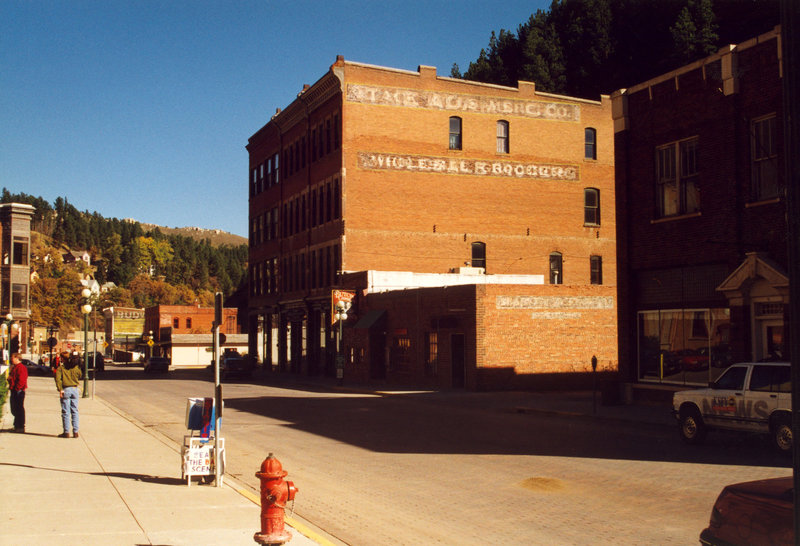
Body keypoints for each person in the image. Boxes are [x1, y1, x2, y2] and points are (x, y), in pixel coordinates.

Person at [55, 352, 83, 438]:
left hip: (66, 389)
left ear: (63, 359)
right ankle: (75, 431)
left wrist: (60, 389)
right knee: (75, 411)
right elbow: (80, 375)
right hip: (75, 389)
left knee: (65, 411)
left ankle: (66, 432)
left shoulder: (61, 368)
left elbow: (58, 380)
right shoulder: (76, 368)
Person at [8, 353, 28, 433]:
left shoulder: (21, 368)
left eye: (12, 358)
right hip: (14, 390)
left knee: (18, 408)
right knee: (14, 409)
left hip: (18, 391)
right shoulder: (15, 367)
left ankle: (20, 426)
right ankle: (16, 425)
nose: (11, 359)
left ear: (17, 358)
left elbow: (22, 380)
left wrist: (17, 388)